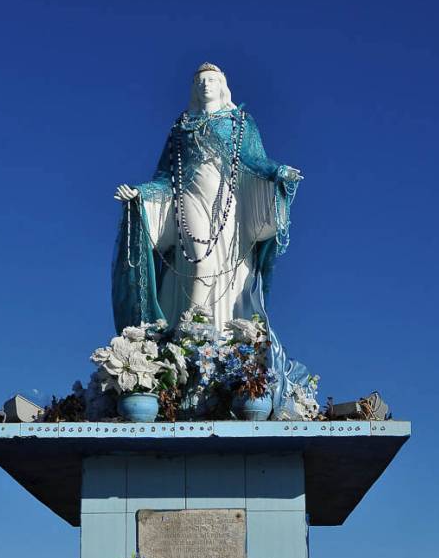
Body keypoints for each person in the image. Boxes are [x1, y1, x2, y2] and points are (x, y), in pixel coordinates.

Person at [112, 63, 317, 418]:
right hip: (190, 201)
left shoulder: (240, 122)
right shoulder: (181, 127)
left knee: (232, 277)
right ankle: (190, 354)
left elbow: (255, 161)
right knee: (198, 265)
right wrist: (141, 195)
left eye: (212, 80)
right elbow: (165, 177)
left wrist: (279, 173)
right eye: (200, 81)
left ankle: (222, 354)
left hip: (228, 206)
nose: (206, 85)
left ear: (223, 86)